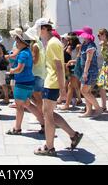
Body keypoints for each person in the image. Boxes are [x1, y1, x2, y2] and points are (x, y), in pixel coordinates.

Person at [34, 18, 83, 156]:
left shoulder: (53, 43)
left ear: (44, 28)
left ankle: (49, 147)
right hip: (51, 82)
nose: (37, 31)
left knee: (47, 116)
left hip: (53, 83)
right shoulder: (52, 42)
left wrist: (63, 89)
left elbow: (59, 67)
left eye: (38, 28)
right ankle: (73, 135)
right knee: (48, 114)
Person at [6, 31, 45, 135]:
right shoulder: (27, 51)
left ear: (24, 42)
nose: (16, 42)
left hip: (22, 83)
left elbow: (19, 69)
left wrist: (11, 70)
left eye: (18, 40)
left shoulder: (23, 53)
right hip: (29, 82)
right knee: (28, 104)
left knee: (19, 107)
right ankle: (44, 124)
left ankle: (17, 129)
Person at [74, 26, 102, 118]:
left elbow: (88, 60)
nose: (82, 36)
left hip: (90, 71)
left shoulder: (91, 46)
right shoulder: (84, 44)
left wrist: (85, 73)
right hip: (85, 71)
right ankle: (89, 111)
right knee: (87, 91)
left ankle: (98, 108)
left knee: (84, 91)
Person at [25, 26, 46, 133]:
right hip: (40, 73)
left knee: (37, 97)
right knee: (37, 97)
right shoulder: (40, 44)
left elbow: (35, 60)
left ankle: (41, 117)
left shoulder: (35, 46)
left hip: (36, 74)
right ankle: (41, 116)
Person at [61, 34, 83, 110]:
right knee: (73, 85)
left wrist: (71, 61)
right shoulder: (71, 46)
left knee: (70, 85)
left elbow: (79, 58)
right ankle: (79, 100)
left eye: (69, 39)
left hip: (75, 67)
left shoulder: (78, 46)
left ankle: (67, 104)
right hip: (71, 66)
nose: (68, 41)